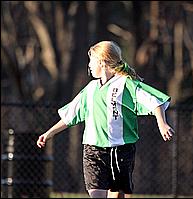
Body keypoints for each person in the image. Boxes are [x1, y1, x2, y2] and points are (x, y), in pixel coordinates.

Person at [37, 41, 175, 198]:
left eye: (91, 61)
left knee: (117, 196)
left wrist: (162, 123)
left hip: (120, 150)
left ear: (102, 62)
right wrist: (49, 133)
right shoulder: (89, 89)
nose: (88, 65)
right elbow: (70, 116)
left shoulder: (125, 84)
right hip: (92, 150)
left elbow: (154, 101)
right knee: (97, 195)